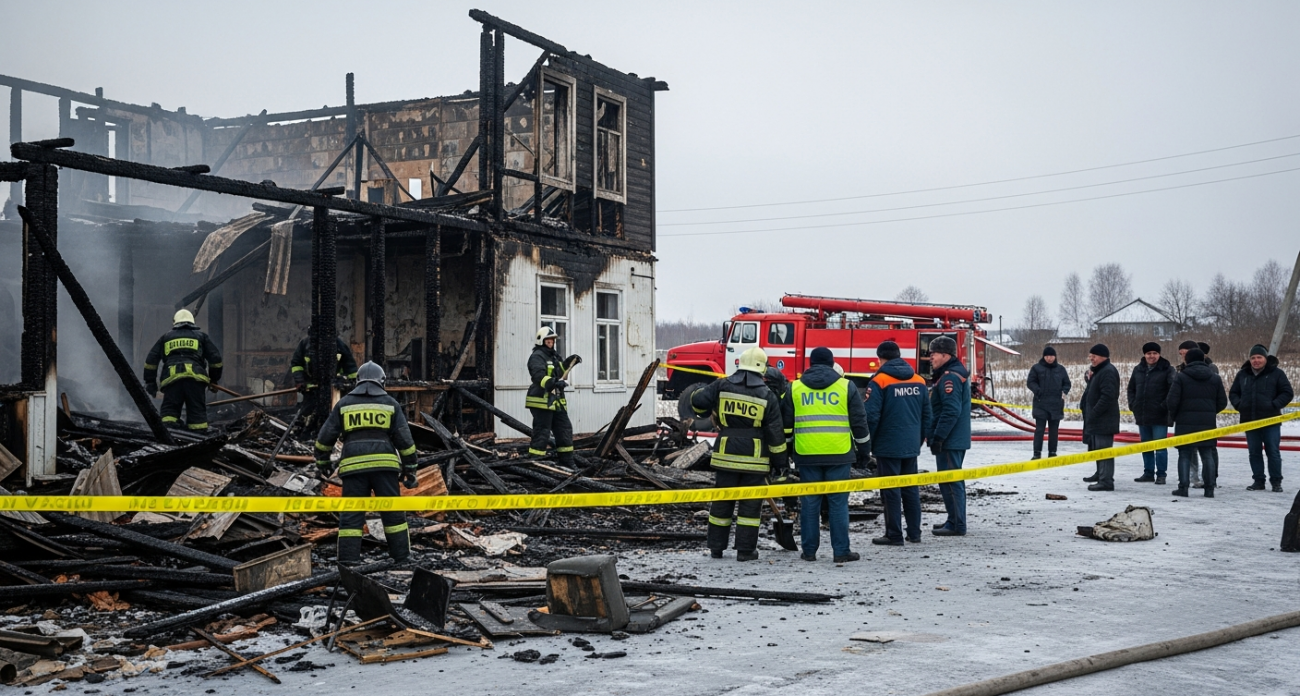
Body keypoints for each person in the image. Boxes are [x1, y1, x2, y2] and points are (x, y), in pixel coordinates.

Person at [314, 361, 418, 564]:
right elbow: (405, 441)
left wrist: (323, 462)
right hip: (385, 468)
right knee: (393, 514)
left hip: (353, 469)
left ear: (358, 381)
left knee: (351, 516)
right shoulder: (390, 404)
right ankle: (401, 558)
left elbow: (325, 437)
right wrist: (410, 469)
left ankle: (348, 561)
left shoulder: (344, 404)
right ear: (382, 381)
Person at [691, 347, 787, 561]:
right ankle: (745, 551)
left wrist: (703, 405)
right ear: (762, 368)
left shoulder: (722, 385)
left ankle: (716, 548)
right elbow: (775, 434)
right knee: (750, 507)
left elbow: (698, 401)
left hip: (725, 455)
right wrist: (781, 464)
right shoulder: (767, 395)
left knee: (722, 502)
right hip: (754, 460)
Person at [782, 346, 869, 562]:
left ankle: (809, 551)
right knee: (838, 504)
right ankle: (841, 551)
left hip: (807, 454)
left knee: (810, 503)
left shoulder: (795, 388)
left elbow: (786, 426)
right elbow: (859, 423)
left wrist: (788, 451)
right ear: (832, 364)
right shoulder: (846, 386)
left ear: (810, 364)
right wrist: (864, 451)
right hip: (839, 453)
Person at [864, 341, 931, 546]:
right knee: (910, 489)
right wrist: (918, 440)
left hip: (887, 446)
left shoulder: (879, 381)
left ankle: (894, 534)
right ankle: (914, 533)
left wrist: (868, 444)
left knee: (890, 490)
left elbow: (871, 416)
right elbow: (927, 415)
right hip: (910, 445)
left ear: (880, 358)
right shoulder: (919, 380)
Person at [143, 309, 223, 432]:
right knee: (197, 413)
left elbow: (151, 361)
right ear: (192, 322)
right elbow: (216, 360)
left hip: (172, 379)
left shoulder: (166, 337)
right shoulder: (201, 337)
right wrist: (214, 379)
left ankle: (169, 435)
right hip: (195, 379)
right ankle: (198, 437)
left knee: (169, 412)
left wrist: (150, 383)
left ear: (175, 322)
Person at [1230, 344, 1295, 492]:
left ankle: (1276, 482)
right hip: (1249, 420)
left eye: (1259, 357)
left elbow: (1287, 392)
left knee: (1273, 451)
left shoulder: (1277, 373)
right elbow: (1233, 393)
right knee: (1254, 452)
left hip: (1271, 420)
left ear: (1265, 358)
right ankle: (1258, 481)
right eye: (1253, 358)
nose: (1256, 360)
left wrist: (1274, 405)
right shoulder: (1242, 374)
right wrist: (1239, 405)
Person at [1167, 348, 1227, 498]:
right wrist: (1210, 412)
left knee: (1184, 455)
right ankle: (1209, 489)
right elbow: (1222, 402)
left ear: (1187, 360)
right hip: (1207, 423)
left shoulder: (1181, 377)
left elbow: (1171, 401)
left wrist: (1177, 415)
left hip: (1184, 422)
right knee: (1207, 454)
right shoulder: (1215, 378)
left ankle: (1183, 488)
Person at [926, 336, 971, 536]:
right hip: (952, 438)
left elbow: (951, 411)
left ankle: (957, 524)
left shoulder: (950, 377)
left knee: (951, 481)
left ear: (945, 355)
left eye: (934, 354)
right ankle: (953, 519)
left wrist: (939, 437)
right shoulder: (950, 374)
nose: (931, 358)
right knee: (949, 480)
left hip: (950, 440)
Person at [526, 327, 576, 467]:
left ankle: (567, 462)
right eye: (548, 340)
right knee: (542, 433)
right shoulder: (537, 356)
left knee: (564, 430)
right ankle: (536, 463)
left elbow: (559, 372)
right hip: (541, 401)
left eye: (552, 340)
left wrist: (568, 363)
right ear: (541, 340)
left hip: (555, 401)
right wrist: (553, 383)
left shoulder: (554, 356)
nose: (551, 342)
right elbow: (538, 376)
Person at [1127, 342, 1174, 484]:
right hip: (1142, 414)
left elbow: (1173, 390)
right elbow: (1131, 389)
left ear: (1159, 354)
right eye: (1149, 353)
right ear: (1144, 354)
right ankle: (1148, 473)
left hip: (1160, 415)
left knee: (1160, 447)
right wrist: (1133, 404)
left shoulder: (1167, 369)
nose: (1152, 356)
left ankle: (1161, 474)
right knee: (1146, 446)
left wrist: (1164, 406)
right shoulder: (1138, 369)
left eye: (1155, 353)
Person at [290, 335, 360, 426]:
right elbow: (296, 364)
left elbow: (351, 370)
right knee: (306, 415)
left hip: (334, 391)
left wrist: (345, 381)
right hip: (311, 390)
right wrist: (300, 381)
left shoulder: (339, 345)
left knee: (336, 417)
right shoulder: (305, 344)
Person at [1080, 343, 1120, 491]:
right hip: (1096, 419)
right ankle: (1100, 473)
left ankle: (1106, 480)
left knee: (1104, 450)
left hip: (1104, 419)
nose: (1091, 358)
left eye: (1094, 356)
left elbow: (1108, 396)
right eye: (1090, 356)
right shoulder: (1098, 371)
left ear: (1103, 357)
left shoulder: (1108, 372)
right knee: (1097, 449)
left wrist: (1094, 412)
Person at [1026, 346, 1070, 459]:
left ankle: (1052, 452)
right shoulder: (1036, 368)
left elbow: (1067, 383)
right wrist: (1038, 390)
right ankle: (1037, 453)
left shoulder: (1061, 369)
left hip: (1056, 404)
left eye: (1051, 356)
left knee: (1054, 431)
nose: (1049, 358)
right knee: (1039, 430)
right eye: (1047, 356)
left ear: (1055, 357)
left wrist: (1064, 392)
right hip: (1041, 403)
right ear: (1044, 357)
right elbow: (1030, 382)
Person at [1176, 340, 1205, 488]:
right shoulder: (1179, 370)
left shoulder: (1209, 368)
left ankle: (1210, 478)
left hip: (1203, 418)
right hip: (1185, 417)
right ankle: (1192, 477)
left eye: (1185, 354)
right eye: (1181, 354)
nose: (1183, 357)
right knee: (1189, 450)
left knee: (1206, 451)